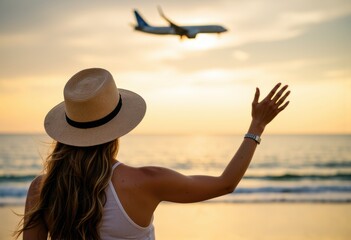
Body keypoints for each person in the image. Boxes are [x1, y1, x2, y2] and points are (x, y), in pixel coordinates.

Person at [15, 68, 290, 240]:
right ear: (116, 129)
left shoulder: (42, 189)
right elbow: (225, 183)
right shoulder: (146, 181)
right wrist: (257, 126)